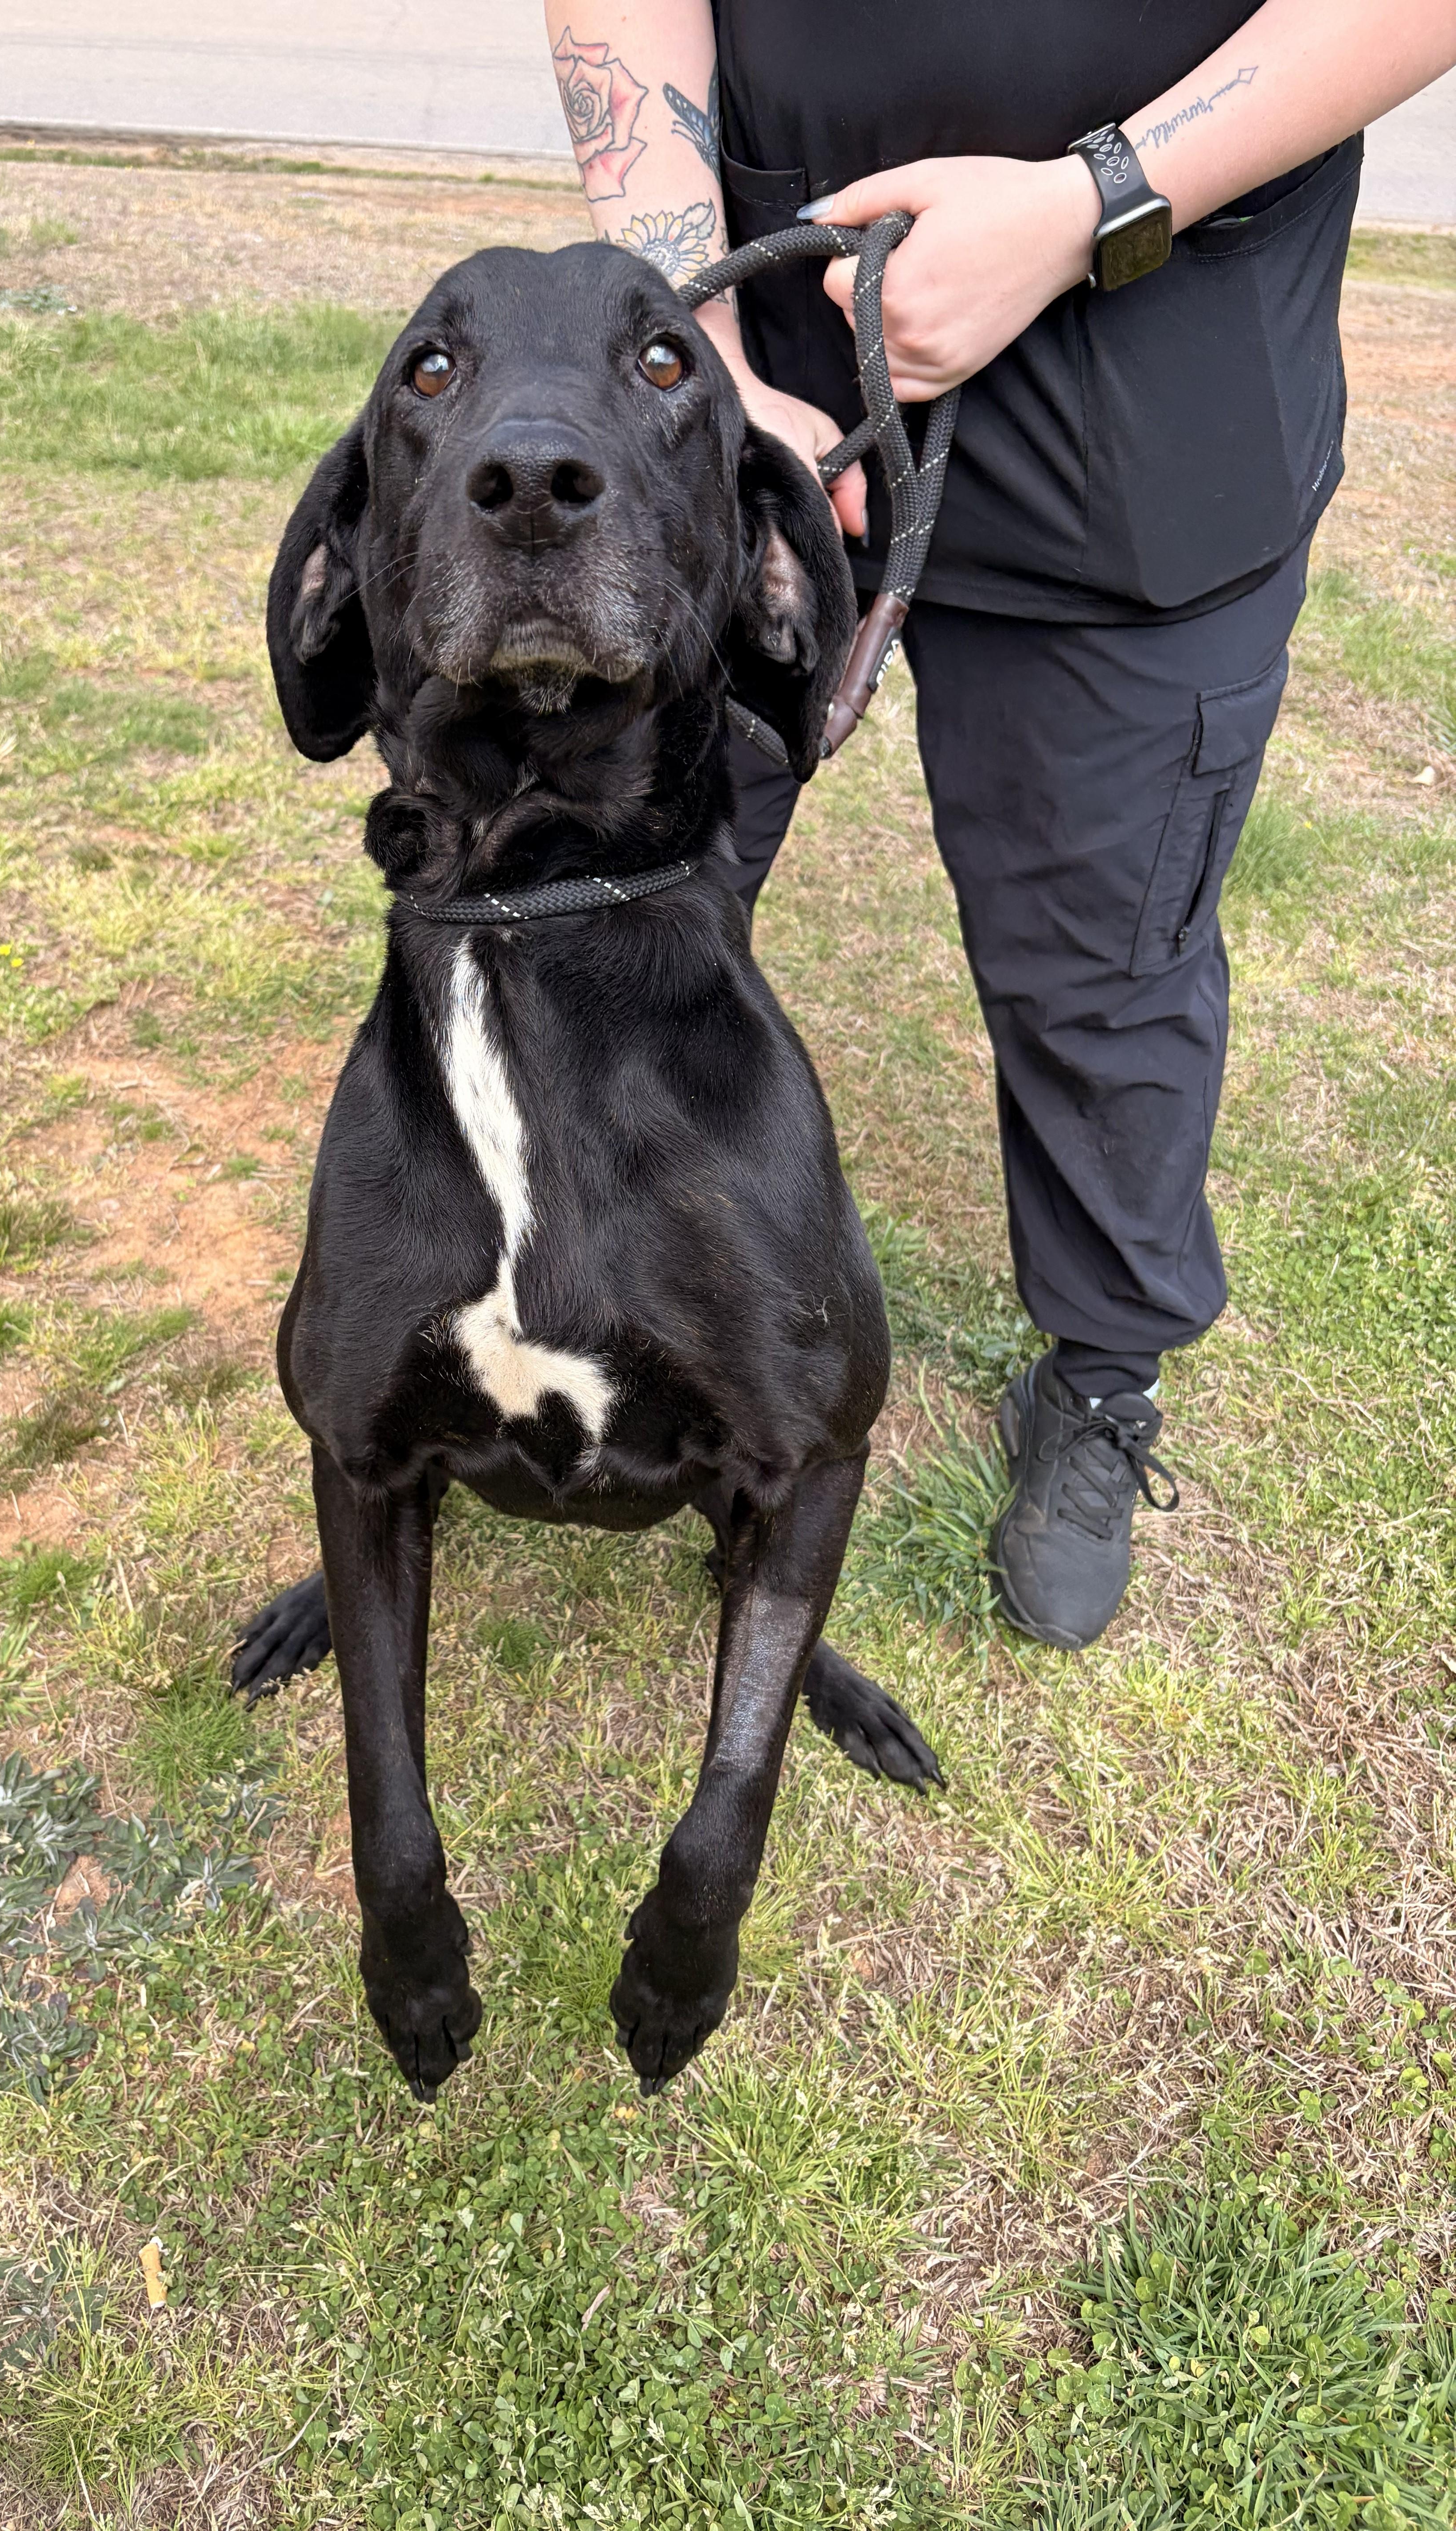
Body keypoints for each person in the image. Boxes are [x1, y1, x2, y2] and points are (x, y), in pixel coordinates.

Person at [544, 0, 1456, 1649]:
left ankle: (1099, 1379)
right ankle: (552, 1296)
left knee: (1098, 968)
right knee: (601, 904)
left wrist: (1087, 202)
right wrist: (710, 353)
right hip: (767, 395)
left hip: (1151, 395)